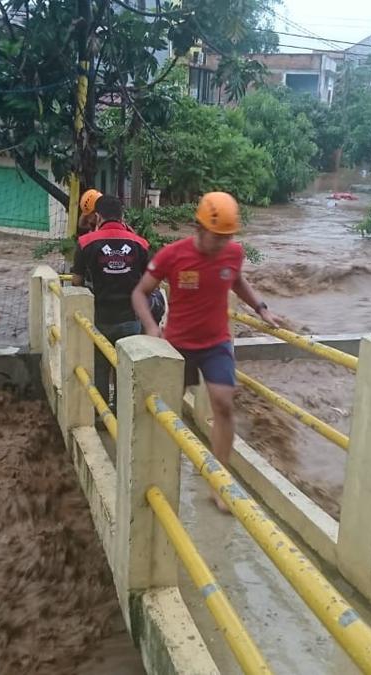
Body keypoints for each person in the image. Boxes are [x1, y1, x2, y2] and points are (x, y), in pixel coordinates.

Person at [131, 191, 282, 512]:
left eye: (229, 237)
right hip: (178, 345)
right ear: (199, 228)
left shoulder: (233, 253)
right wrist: (150, 326)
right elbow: (140, 293)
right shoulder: (173, 255)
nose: (223, 244)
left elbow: (237, 281)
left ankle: (218, 483)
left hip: (216, 343)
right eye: (218, 236)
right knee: (166, 410)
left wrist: (261, 309)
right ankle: (154, 472)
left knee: (224, 405)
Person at [73, 195, 150, 410]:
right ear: (123, 215)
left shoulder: (85, 243)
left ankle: (102, 412)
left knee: (100, 366)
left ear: (97, 216)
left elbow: (77, 281)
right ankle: (122, 412)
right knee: (125, 367)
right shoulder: (140, 243)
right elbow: (150, 281)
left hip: (100, 317)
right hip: (130, 317)